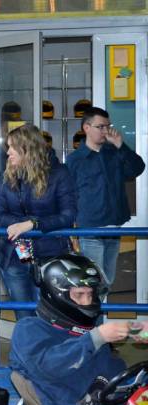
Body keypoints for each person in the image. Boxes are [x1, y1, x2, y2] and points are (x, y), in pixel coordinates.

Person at [10, 253, 137, 405]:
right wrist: (97, 337)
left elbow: (114, 371)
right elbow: (49, 366)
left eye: (90, 294)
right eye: (79, 294)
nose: (87, 301)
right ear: (56, 294)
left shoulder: (88, 334)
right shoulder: (29, 328)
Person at [0, 124, 77, 320]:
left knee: (48, 317)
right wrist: (24, 224)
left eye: (12, 147)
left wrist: (33, 224)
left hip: (50, 257)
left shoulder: (59, 173)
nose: (8, 152)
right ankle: (27, 342)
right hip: (14, 256)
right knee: (24, 316)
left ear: (28, 148)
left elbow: (68, 215)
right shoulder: (7, 176)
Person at [66, 106, 145, 293]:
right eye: (100, 127)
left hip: (113, 227)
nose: (106, 131)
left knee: (107, 282)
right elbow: (69, 194)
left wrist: (121, 145)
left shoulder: (115, 153)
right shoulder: (75, 160)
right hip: (90, 229)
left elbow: (137, 168)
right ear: (86, 128)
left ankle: (96, 312)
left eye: (108, 126)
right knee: (94, 282)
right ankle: (93, 313)